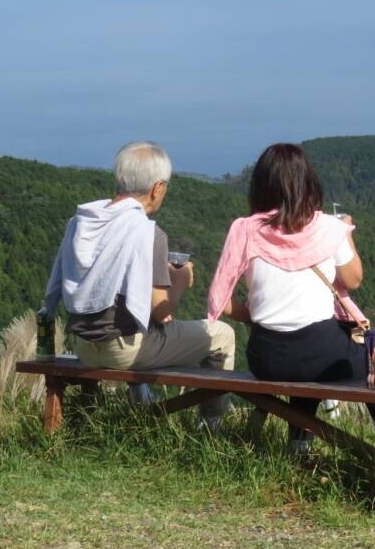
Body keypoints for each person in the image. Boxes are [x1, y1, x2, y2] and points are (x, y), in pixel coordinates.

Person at [43, 141, 234, 422]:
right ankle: (212, 426)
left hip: (82, 345)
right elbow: (161, 310)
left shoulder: (82, 222)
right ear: (157, 188)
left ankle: (141, 406)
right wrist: (180, 281)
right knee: (221, 335)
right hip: (122, 350)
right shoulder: (147, 232)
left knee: (144, 325)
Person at [208, 143, 375, 442]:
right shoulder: (328, 227)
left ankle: (299, 444)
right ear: (307, 182)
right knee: (374, 361)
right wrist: (347, 233)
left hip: (265, 358)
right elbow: (354, 280)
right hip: (321, 352)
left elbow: (219, 301)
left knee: (309, 360)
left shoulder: (244, 230)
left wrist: (255, 318)